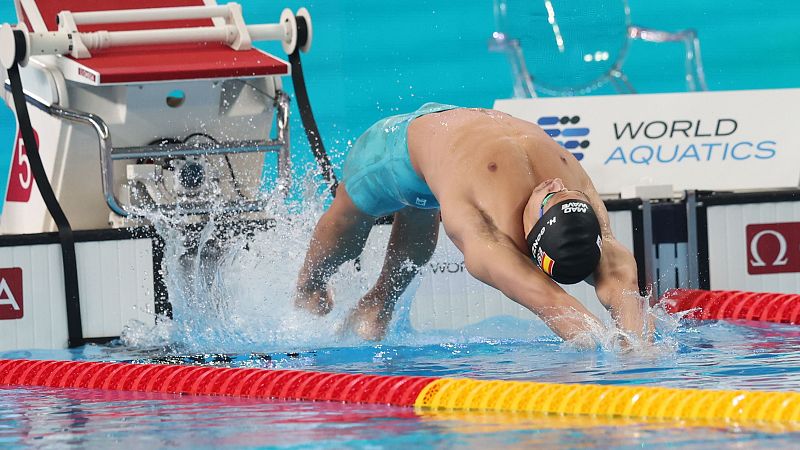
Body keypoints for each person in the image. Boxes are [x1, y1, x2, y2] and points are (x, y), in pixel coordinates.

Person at [295, 103, 650, 344]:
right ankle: (306, 286)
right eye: (565, 195)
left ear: (530, 240)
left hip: (424, 157)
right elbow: (619, 276)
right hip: (402, 143)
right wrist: (635, 346)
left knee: (418, 222)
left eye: (547, 199)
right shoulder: (576, 185)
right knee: (350, 227)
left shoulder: (486, 238)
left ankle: (379, 302)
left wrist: (622, 354)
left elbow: (554, 305)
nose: (553, 184)